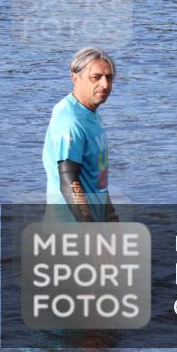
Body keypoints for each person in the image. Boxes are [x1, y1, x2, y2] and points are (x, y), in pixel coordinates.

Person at [42, 47, 118, 223]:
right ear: (75, 78)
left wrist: (112, 220)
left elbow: (96, 180)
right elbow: (69, 181)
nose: (105, 84)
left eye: (109, 77)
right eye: (96, 77)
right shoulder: (70, 121)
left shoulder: (89, 113)